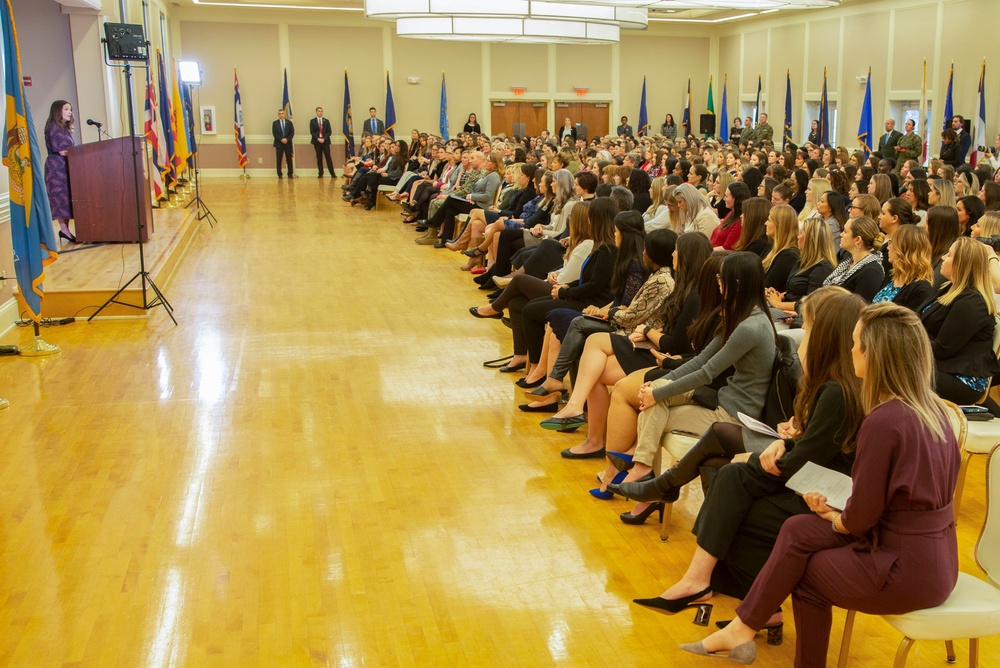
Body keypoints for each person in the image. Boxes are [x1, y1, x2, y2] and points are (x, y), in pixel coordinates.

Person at [680, 302, 962, 666]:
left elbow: (860, 520)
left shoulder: (884, 421)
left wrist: (833, 517)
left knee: (804, 573)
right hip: (940, 559)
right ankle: (744, 625)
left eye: (856, 343)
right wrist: (835, 513)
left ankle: (763, 636)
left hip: (902, 568)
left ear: (874, 354)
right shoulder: (937, 409)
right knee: (797, 529)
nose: (850, 349)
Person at [622, 289, 864, 622]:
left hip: (820, 494)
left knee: (730, 478)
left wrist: (754, 458)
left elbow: (806, 462)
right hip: (813, 479)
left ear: (824, 336)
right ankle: (740, 597)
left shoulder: (836, 389)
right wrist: (787, 441)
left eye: (808, 329)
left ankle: (708, 581)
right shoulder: (833, 383)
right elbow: (812, 446)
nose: (802, 336)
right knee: (721, 471)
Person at [920, 236, 1000, 414]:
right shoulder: (948, 288)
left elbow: (943, 348)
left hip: (962, 379)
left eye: (949, 255)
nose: (942, 258)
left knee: (892, 370)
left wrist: (907, 346)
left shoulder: (973, 301)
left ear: (960, 263)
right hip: (940, 365)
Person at [871, 224, 934, 311]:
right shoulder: (893, 275)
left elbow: (907, 322)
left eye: (891, 243)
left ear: (903, 248)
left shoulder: (921, 289)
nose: (888, 248)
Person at [823, 216, 885, 301]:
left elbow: (862, 308)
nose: (841, 234)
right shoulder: (847, 261)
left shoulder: (872, 271)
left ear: (858, 240)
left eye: (845, 231)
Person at [44, 99, 76, 243]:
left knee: (67, 198)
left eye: (70, 109)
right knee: (60, 198)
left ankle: (66, 231)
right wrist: (79, 153)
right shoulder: (53, 127)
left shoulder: (63, 127)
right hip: (56, 167)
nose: (70, 112)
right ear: (58, 111)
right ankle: (64, 230)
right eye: (66, 109)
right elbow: (62, 151)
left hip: (65, 166)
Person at [309, 107, 334, 178]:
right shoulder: (312, 121)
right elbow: (312, 132)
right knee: (319, 158)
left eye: (321, 111)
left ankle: (332, 173)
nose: (320, 112)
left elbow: (329, 131)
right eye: (319, 111)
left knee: (328, 157)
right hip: (317, 142)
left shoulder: (326, 121)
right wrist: (318, 138)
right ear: (316, 112)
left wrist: (324, 138)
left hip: (325, 142)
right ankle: (320, 173)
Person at [272, 109, 294, 178]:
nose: (281, 115)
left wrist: (287, 139)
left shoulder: (289, 123)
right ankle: (279, 174)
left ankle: (290, 174)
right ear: (278, 115)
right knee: (279, 159)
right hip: (279, 144)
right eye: (280, 114)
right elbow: (275, 133)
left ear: (284, 114)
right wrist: (281, 139)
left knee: (289, 159)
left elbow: (292, 132)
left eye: (282, 113)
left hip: (288, 144)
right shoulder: (275, 123)